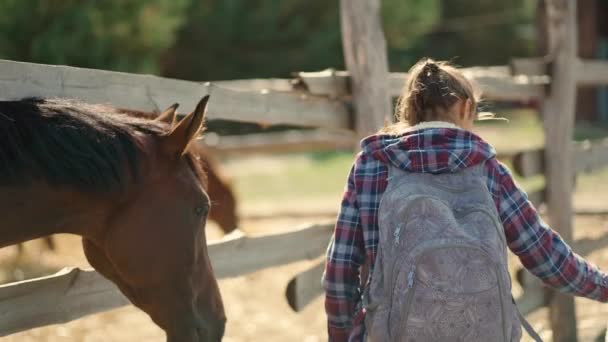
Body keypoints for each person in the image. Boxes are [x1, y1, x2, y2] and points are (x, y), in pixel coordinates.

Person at [323, 58, 608, 341]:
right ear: (465, 107)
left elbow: (340, 269)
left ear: (408, 109)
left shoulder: (372, 166)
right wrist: (603, 286)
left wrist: (345, 336)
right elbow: (546, 256)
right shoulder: (487, 170)